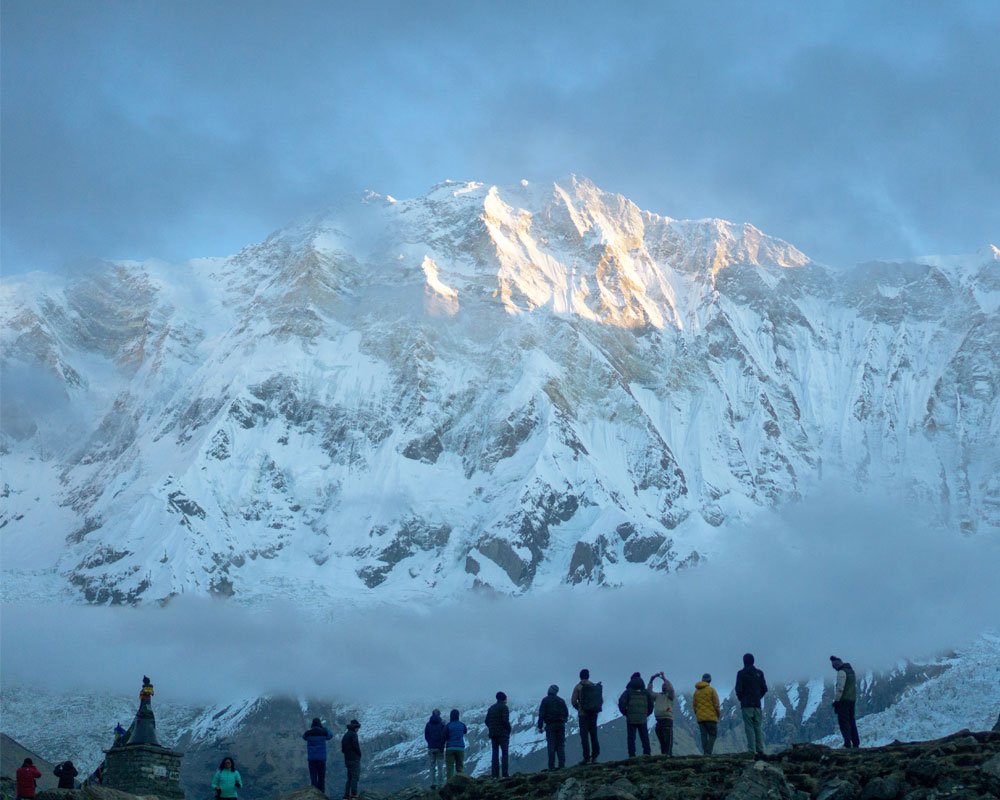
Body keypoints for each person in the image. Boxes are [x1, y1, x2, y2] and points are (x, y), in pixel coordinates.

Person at [735, 653, 768, 755]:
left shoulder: (741, 673)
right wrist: (758, 697)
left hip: (746, 704)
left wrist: (742, 699)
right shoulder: (759, 673)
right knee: (757, 726)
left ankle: (751, 750)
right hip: (757, 705)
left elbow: (738, 689)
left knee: (749, 727)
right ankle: (760, 749)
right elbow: (764, 689)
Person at [617, 672, 653, 757]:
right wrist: (646, 714)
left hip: (631, 718)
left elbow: (621, 703)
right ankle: (647, 753)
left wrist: (626, 713)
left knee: (631, 738)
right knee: (644, 736)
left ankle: (632, 755)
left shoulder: (628, 692)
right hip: (642, 718)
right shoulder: (645, 692)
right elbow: (651, 704)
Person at [571, 668, 602, 764]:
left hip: (583, 714)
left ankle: (586, 757)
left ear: (580, 676)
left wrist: (580, 708)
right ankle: (595, 757)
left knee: (584, 736)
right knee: (594, 735)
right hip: (593, 714)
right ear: (588, 676)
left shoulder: (578, 687)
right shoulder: (593, 686)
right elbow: (600, 700)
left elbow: (573, 701)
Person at [830, 656, 860, 748]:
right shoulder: (851, 671)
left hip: (844, 701)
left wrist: (836, 701)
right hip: (852, 700)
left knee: (843, 721)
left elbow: (840, 688)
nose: (834, 668)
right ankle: (855, 743)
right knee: (851, 721)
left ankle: (847, 743)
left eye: (834, 666)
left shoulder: (841, 672)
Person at [537, 684, 569, 770]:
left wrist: (540, 726)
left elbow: (541, 714)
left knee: (551, 745)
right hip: (561, 724)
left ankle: (551, 766)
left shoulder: (545, 700)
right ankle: (561, 765)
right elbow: (566, 713)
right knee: (560, 745)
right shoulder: (561, 701)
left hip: (550, 725)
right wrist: (563, 720)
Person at [302, 717, 334, 794]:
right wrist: (324, 728)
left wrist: (309, 730)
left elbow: (304, 737)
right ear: (320, 724)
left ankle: (314, 794)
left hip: (312, 759)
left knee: (313, 777)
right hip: (321, 759)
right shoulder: (323, 732)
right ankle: (321, 794)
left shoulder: (308, 733)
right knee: (321, 777)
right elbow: (330, 735)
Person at [484, 691, 512, 778]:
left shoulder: (491, 708)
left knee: (495, 754)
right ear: (503, 699)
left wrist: (492, 728)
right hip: (502, 734)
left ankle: (495, 775)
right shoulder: (504, 707)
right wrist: (508, 728)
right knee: (504, 753)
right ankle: (505, 774)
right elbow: (505, 720)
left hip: (493, 734)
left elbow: (486, 721)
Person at [647, 672, 675, 756]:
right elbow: (649, 693)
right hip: (659, 720)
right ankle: (664, 756)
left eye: (665, 685)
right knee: (662, 741)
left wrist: (664, 679)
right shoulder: (658, 696)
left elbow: (671, 689)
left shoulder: (670, 696)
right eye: (663, 685)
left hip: (667, 720)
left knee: (667, 741)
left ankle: (668, 756)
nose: (664, 686)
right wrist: (651, 681)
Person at [693, 673, 721, 755]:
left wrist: (698, 714)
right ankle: (708, 752)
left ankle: (705, 752)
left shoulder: (696, 692)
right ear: (710, 680)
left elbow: (694, 705)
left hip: (701, 718)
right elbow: (716, 704)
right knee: (713, 734)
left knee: (703, 736)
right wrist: (718, 714)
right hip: (711, 717)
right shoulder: (711, 690)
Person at [423, 708, 447, 788]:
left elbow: (426, 735)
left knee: (432, 766)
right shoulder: (442, 724)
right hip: (439, 748)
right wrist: (442, 744)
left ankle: (433, 783)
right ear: (439, 715)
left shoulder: (428, 724)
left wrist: (430, 742)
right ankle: (441, 784)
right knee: (440, 766)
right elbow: (444, 735)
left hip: (431, 747)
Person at [443, 709, 467, 780]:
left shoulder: (448, 725)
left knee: (450, 768)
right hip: (460, 748)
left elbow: (444, 736)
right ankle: (461, 783)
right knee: (460, 767)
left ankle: (449, 784)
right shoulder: (462, 725)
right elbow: (465, 732)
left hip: (450, 747)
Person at [341, 719, 362, 799]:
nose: (358, 729)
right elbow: (356, 746)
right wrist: (359, 754)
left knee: (349, 777)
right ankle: (354, 794)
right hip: (354, 759)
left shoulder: (345, 735)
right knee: (355, 777)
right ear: (355, 727)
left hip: (347, 759)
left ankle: (347, 794)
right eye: (357, 728)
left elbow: (343, 749)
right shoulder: (353, 735)